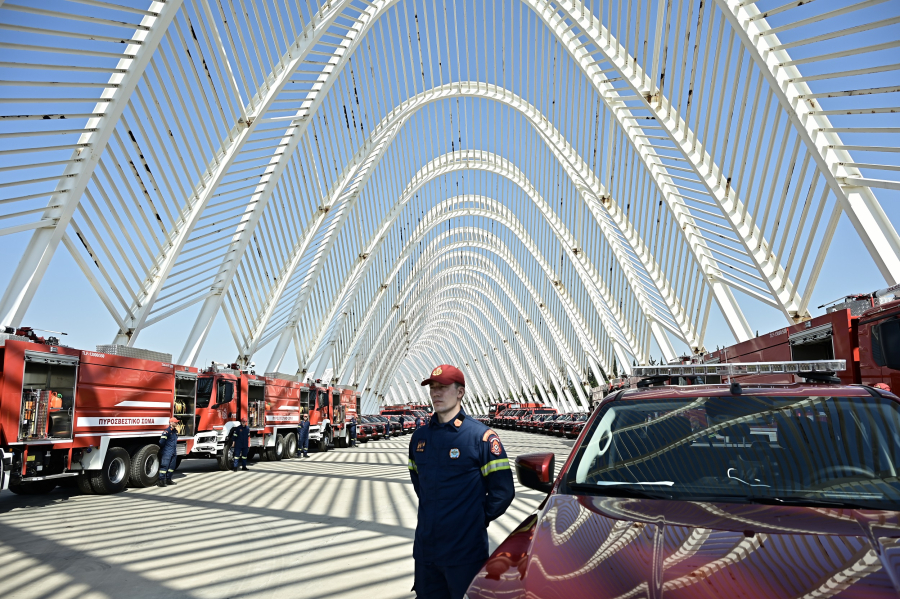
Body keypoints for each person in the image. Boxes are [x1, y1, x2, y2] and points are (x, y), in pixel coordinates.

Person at [407, 364, 515, 599]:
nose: (436, 393)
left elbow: (503, 491)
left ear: (460, 392)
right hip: (426, 553)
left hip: (464, 554)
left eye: (443, 387)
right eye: (432, 388)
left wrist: (476, 518)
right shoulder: (419, 438)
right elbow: (420, 485)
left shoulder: (481, 437)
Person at [157, 416, 179, 487]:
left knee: (172, 467)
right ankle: (161, 481)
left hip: (173, 451)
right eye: (175, 422)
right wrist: (165, 449)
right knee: (164, 466)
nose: (177, 423)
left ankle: (168, 479)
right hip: (167, 451)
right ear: (171, 423)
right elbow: (161, 442)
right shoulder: (167, 431)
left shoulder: (175, 431)